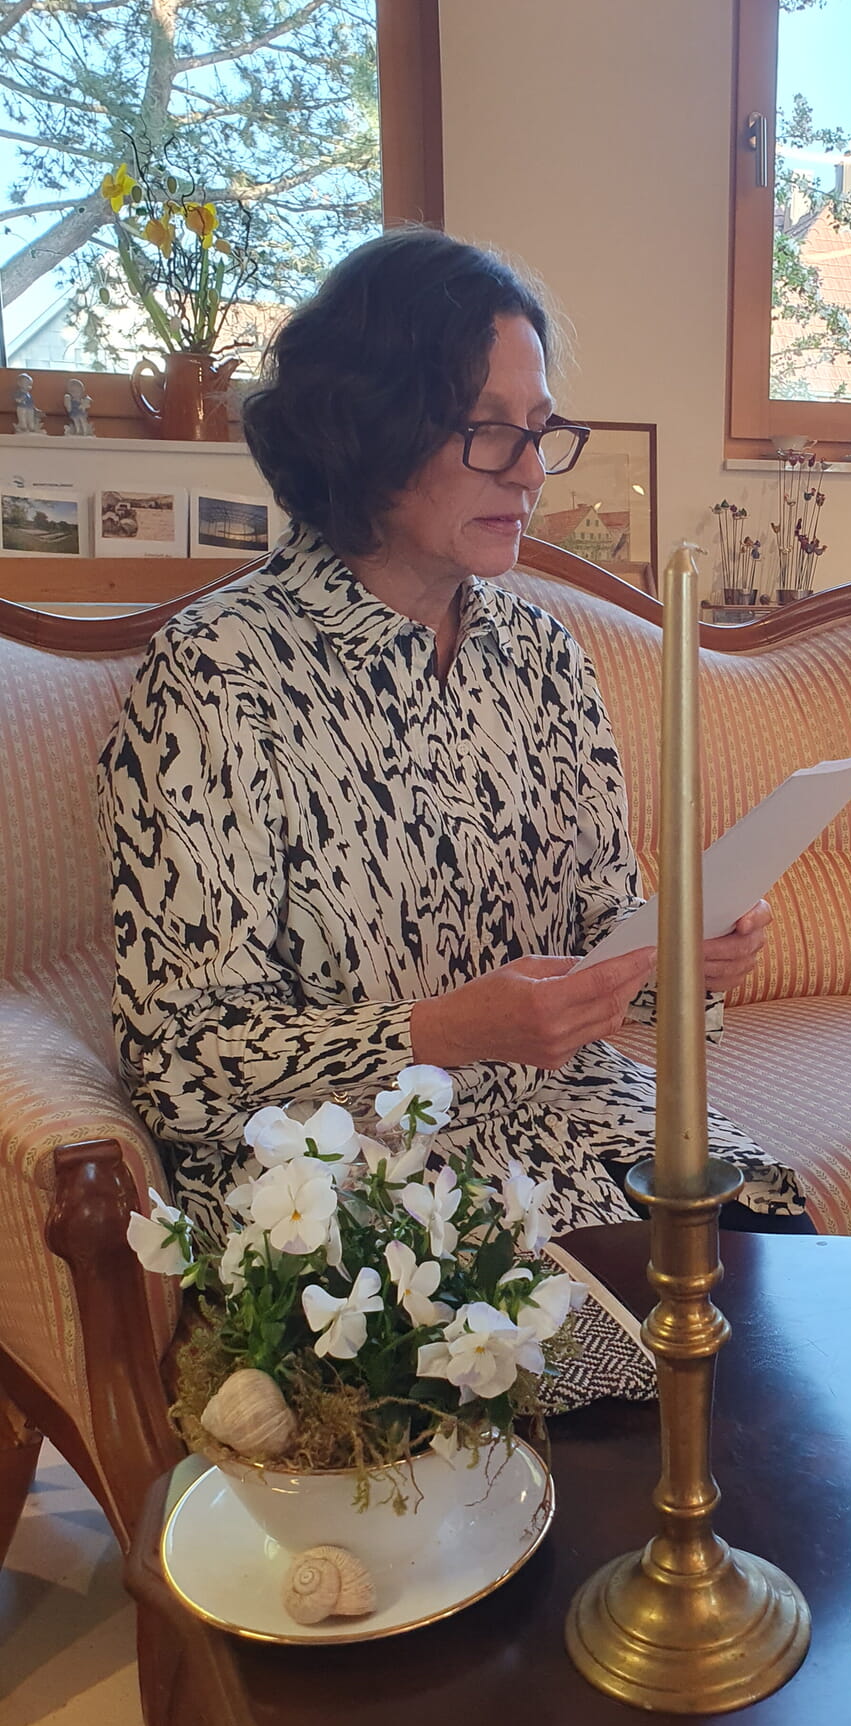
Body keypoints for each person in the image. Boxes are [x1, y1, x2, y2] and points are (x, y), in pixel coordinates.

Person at [99, 228, 812, 1244]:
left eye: (541, 431)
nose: (530, 473)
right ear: (368, 428)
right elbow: (182, 1068)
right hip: (354, 1174)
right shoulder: (216, 676)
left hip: (566, 1122)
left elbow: (598, 921)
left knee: (781, 1270)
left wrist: (678, 955)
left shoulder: (542, 654)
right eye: (488, 431)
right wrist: (441, 1032)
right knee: (635, 1336)